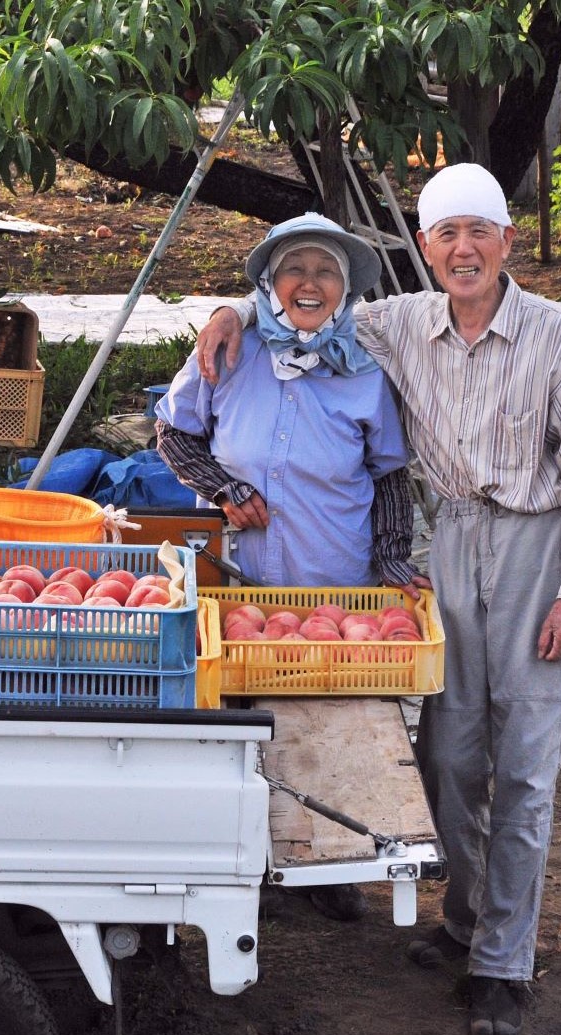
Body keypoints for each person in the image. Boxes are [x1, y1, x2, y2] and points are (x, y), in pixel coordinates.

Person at [195, 165, 561, 1035]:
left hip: (541, 548)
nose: (462, 250)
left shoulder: (557, 335)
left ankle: (504, 965)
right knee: (449, 757)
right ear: (424, 249)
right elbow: (301, 299)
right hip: (454, 546)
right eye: (444, 235)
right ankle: (467, 921)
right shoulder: (397, 325)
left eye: (479, 231)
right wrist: (233, 310)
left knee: (527, 766)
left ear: (508, 241)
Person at [156, 212, 426, 923]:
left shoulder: (366, 370)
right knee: (234, 712)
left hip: (328, 569)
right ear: (270, 284)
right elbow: (174, 431)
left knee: (324, 716)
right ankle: (240, 862)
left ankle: (328, 862)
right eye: (295, 269)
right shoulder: (231, 349)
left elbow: (390, 474)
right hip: (239, 569)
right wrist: (223, 488)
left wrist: (394, 556)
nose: (310, 283)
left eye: (326, 271)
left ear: (344, 290)